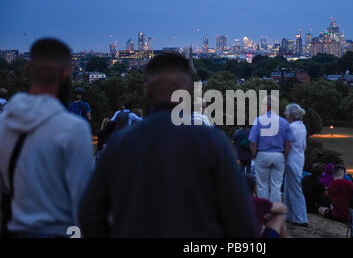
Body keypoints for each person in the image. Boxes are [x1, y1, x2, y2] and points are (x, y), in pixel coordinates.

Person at [78, 53, 257, 237]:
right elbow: (241, 220)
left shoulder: (121, 143)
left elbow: (90, 214)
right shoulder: (213, 143)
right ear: (188, 91)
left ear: (148, 90)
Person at [0, 38, 94, 238]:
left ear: (28, 69)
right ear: (66, 72)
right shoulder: (73, 130)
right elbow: (83, 203)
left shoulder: (4, 122)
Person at [249, 95, 294, 203]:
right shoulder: (284, 122)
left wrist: (254, 155)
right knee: (276, 186)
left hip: (262, 154)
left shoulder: (258, 120)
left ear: (267, 106)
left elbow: (253, 142)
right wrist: (285, 156)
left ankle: (264, 212)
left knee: (262, 185)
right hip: (279, 154)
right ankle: (275, 211)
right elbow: (288, 143)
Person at [284, 103, 308, 227]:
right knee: (289, 186)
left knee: (294, 187)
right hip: (299, 157)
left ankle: (300, 217)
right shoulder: (301, 126)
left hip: (292, 158)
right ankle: (290, 214)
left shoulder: (292, 128)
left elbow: (287, 144)